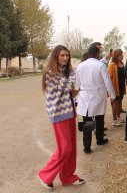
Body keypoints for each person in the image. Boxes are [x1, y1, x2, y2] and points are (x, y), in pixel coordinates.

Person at [38, 45, 84, 190]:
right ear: (55, 56)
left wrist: (74, 90)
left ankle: (68, 177)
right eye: (62, 55)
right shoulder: (51, 72)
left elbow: (70, 88)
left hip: (70, 112)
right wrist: (74, 87)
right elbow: (68, 84)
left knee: (71, 149)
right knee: (65, 149)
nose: (65, 58)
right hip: (58, 114)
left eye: (67, 55)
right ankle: (44, 175)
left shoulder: (66, 71)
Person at [76, 45, 116, 153]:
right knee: (99, 119)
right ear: (97, 54)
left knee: (87, 122)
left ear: (88, 54)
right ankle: (99, 139)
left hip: (85, 98)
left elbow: (77, 85)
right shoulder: (100, 65)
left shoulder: (80, 66)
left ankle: (87, 147)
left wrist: (76, 99)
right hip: (98, 96)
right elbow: (107, 82)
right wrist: (113, 96)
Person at [108, 49, 126, 126]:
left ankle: (118, 117)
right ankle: (114, 120)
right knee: (115, 103)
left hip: (121, 86)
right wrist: (111, 89)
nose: (122, 56)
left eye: (122, 54)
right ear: (116, 55)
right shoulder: (112, 65)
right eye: (120, 55)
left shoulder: (121, 63)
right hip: (115, 87)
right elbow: (109, 77)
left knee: (120, 102)